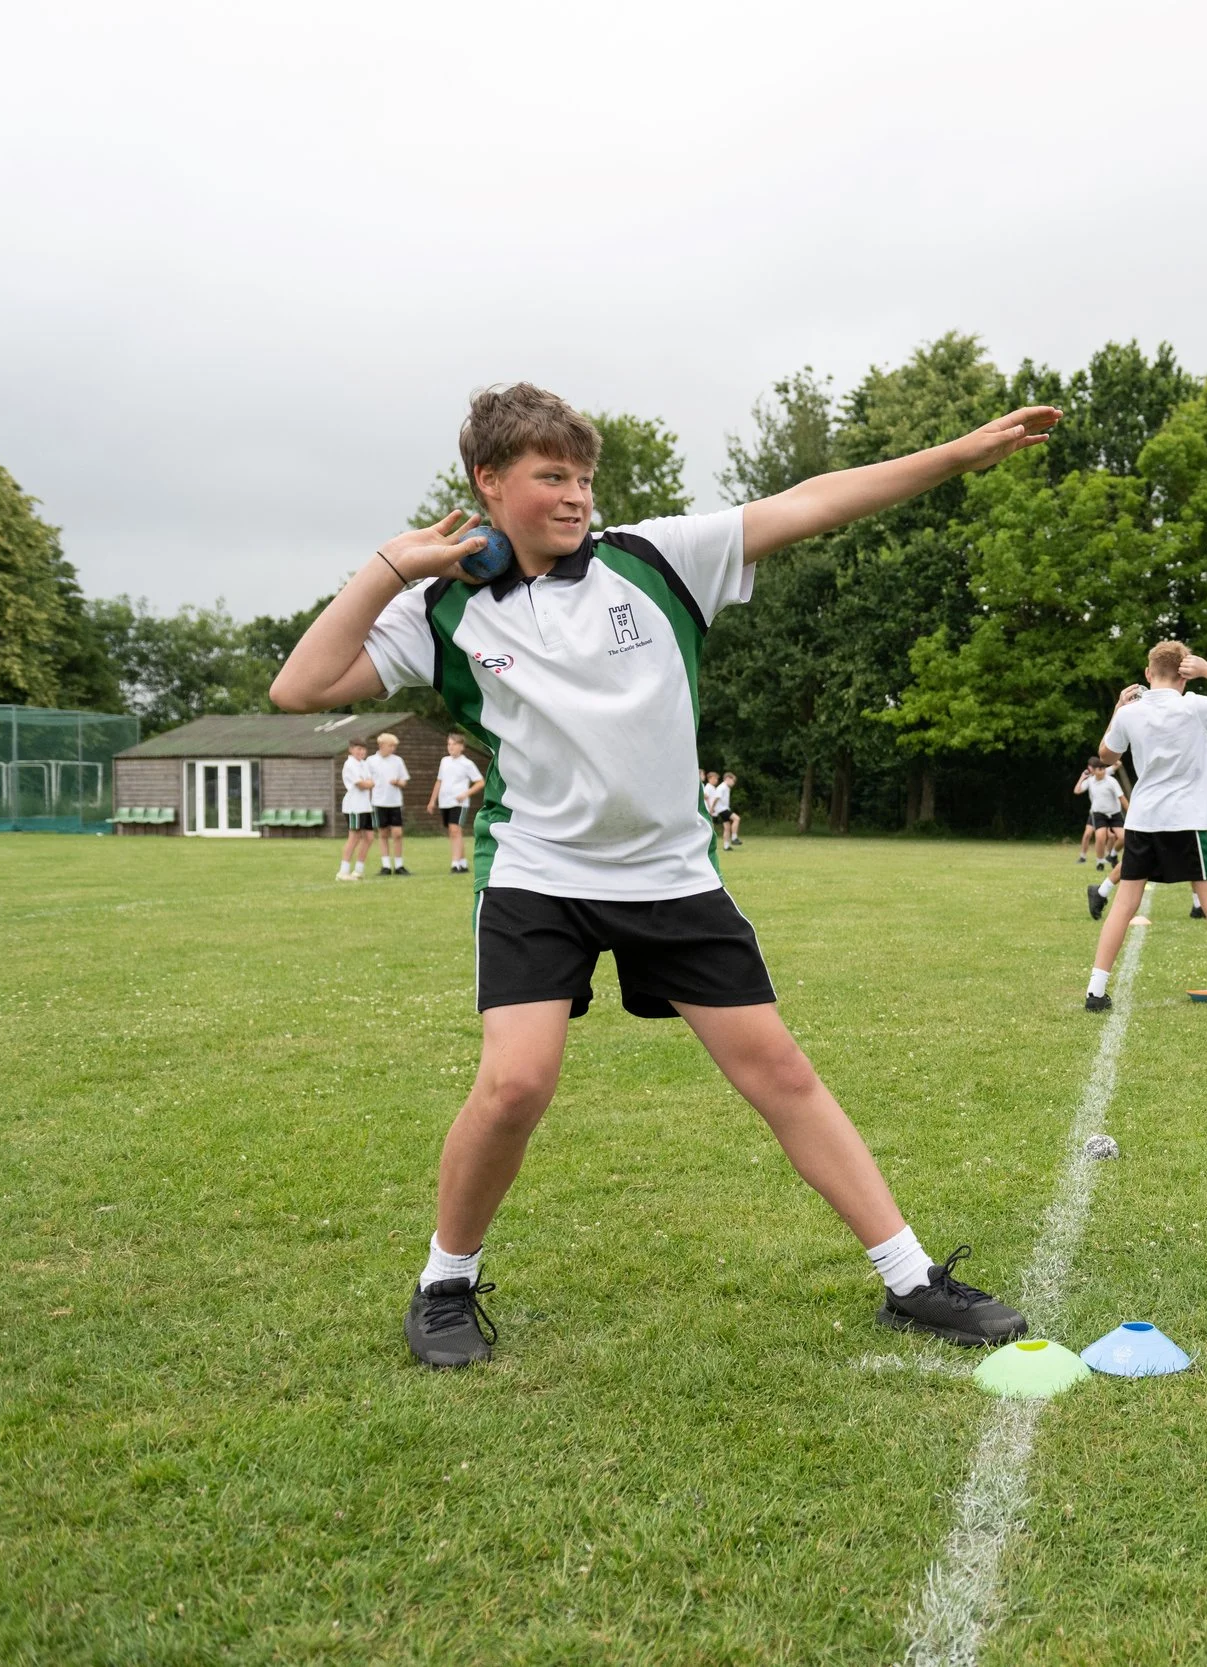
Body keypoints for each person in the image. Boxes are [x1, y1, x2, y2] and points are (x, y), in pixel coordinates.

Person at [271, 380, 1059, 1369]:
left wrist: (953, 454)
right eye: (551, 476)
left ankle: (910, 1279)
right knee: (515, 1084)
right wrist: (391, 565)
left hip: (670, 872)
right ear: (488, 479)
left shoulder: (653, 560)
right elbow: (300, 685)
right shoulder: (443, 608)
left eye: (583, 477)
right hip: (538, 872)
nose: (575, 495)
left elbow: (814, 501)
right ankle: (445, 1282)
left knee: (779, 1071)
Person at [1083, 642, 1207, 1012]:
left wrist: (1118, 708)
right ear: (1185, 675)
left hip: (1142, 821)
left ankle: (1095, 992)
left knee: (1124, 904)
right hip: (1186, 822)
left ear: (1147, 673)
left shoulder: (1130, 713)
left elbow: (1106, 756)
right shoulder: (1195, 706)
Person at [436, 735, 484, 873]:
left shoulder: (467, 764)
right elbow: (439, 781)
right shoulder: (444, 761)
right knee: (454, 832)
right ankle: (463, 863)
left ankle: (455, 863)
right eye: (449, 744)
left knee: (455, 830)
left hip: (459, 803)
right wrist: (432, 800)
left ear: (462, 746)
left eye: (454, 744)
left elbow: (480, 782)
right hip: (444, 802)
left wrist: (465, 794)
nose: (451, 747)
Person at [369, 732, 412, 875]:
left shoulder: (398, 761)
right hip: (378, 802)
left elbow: (404, 781)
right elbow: (367, 780)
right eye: (390, 746)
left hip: (395, 802)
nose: (393, 748)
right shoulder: (371, 761)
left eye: (394, 746)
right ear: (381, 745)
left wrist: (397, 782)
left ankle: (399, 865)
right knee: (383, 833)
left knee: (397, 833)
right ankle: (386, 866)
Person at [335, 740, 375, 881]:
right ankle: (343, 871)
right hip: (354, 806)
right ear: (351, 749)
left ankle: (358, 870)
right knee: (354, 837)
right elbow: (362, 784)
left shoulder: (364, 764)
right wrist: (368, 783)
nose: (361, 752)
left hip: (365, 806)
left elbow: (371, 782)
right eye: (358, 749)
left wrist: (369, 783)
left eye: (363, 749)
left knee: (369, 837)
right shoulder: (350, 764)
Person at [1073, 761, 1126, 869]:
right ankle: (1099, 862)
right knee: (1099, 836)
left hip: (1114, 813)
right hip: (1099, 813)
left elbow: (1118, 764)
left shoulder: (1110, 778)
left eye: (1103, 769)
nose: (1102, 771)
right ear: (1093, 770)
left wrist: (1112, 758)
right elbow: (1077, 791)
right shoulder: (1090, 780)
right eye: (1099, 769)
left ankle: (1112, 855)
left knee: (1123, 837)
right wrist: (1082, 777)